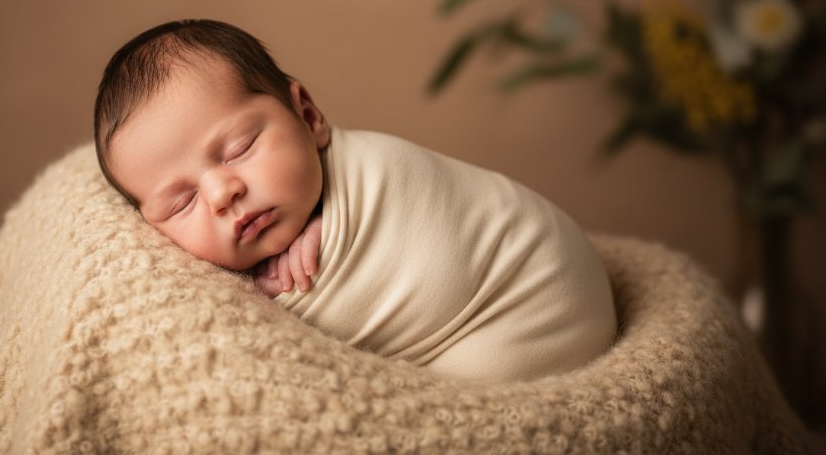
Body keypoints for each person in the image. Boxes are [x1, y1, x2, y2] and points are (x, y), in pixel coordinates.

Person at [94, 19, 617, 383]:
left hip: (533, 313)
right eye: (181, 202)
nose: (221, 193)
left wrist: (321, 257)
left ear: (308, 114)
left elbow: (411, 245)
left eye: (240, 149)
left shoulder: (380, 172)